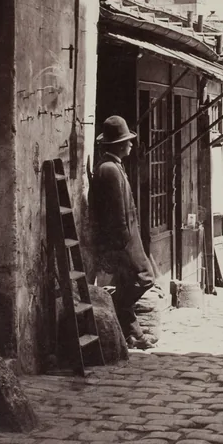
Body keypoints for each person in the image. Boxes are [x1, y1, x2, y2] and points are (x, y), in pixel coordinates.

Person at [90, 115, 158, 351]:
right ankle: (114, 311)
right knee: (144, 279)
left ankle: (134, 335)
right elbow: (116, 213)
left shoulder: (113, 166)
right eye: (127, 141)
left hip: (129, 238)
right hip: (122, 241)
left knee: (135, 280)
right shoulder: (109, 170)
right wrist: (121, 246)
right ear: (119, 145)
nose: (131, 144)